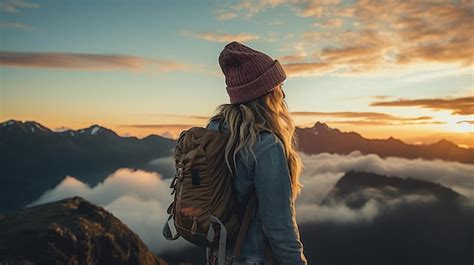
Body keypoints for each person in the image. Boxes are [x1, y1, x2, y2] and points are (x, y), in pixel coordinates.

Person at [205, 41, 308, 265]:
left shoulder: (214, 131)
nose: (282, 93)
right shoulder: (265, 146)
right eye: (278, 86)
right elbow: (280, 227)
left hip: (217, 257)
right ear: (266, 93)